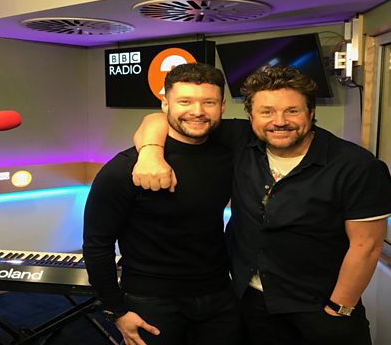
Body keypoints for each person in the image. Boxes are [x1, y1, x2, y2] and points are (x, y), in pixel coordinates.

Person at [132, 65, 391, 345]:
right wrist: (150, 154)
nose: (279, 121)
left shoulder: (357, 166)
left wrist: (339, 308)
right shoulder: (240, 139)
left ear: (311, 112)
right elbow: (158, 119)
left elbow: (366, 246)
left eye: (292, 111)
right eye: (266, 112)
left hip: (320, 307)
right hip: (252, 304)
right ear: (251, 116)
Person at [83, 63, 241, 345]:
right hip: (151, 300)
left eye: (208, 102)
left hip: (219, 295)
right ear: (165, 104)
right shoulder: (124, 169)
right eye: (185, 101)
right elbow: (97, 244)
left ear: (222, 106)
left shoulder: (230, 149)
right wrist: (116, 310)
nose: (197, 111)